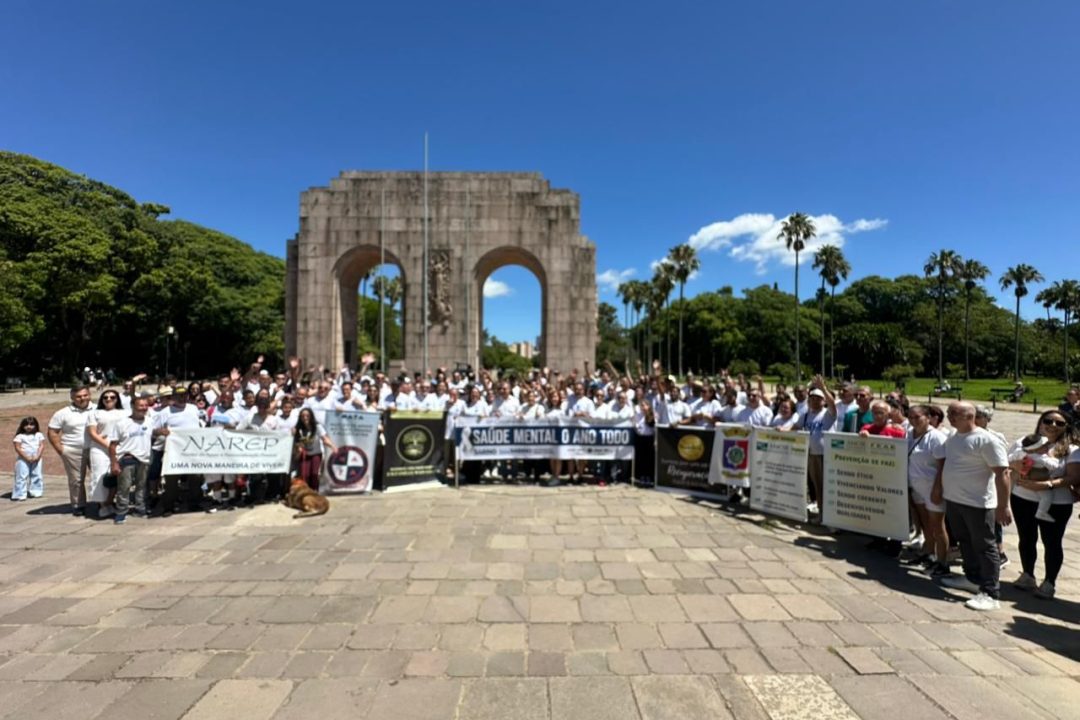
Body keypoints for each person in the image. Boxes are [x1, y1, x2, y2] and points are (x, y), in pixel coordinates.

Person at [931, 401, 1010, 611]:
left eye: (954, 413)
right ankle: (973, 579)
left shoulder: (986, 440)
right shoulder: (954, 437)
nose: (949, 416)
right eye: (949, 412)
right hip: (955, 501)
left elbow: (1003, 473)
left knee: (985, 546)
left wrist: (1004, 506)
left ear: (969, 416)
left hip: (978, 504)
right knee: (965, 542)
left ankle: (991, 593)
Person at [1008, 409, 1076, 600]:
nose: (1053, 425)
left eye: (1059, 423)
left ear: (1066, 427)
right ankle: (1027, 574)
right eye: (1048, 421)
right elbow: (1007, 462)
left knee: (1052, 542)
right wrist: (1016, 465)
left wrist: (1045, 484)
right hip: (1022, 497)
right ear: (1040, 422)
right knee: (1026, 537)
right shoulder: (1025, 441)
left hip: (1057, 502)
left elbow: (1073, 476)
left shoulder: (1071, 449)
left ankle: (1049, 583)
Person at [906, 404, 949, 577]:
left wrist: (938, 488)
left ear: (927, 417)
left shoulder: (936, 437)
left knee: (938, 526)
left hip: (932, 487)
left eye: (918, 417)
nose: (914, 420)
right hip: (916, 486)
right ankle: (929, 553)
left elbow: (942, 465)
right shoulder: (909, 434)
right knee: (925, 525)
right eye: (911, 417)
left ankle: (943, 561)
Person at [47, 385, 94, 516]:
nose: (82, 398)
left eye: (85, 395)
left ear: (89, 395)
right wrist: (61, 450)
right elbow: (52, 431)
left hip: (96, 449)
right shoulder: (63, 413)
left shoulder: (98, 409)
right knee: (76, 480)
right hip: (73, 450)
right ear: (72, 397)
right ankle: (78, 505)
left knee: (100, 476)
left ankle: (102, 502)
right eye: (78, 396)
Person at [107, 396, 153, 524]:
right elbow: (112, 445)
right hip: (127, 458)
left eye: (145, 406)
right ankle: (121, 512)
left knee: (142, 486)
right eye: (140, 406)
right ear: (133, 407)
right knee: (124, 487)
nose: (143, 408)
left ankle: (140, 509)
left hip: (144, 458)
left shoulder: (149, 421)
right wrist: (114, 463)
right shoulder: (122, 423)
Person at [86, 390, 128, 518]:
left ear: (117, 399)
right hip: (100, 448)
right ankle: (102, 505)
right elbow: (92, 433)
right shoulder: (95, 413)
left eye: (112, 397)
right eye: (105, 397)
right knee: (99, 476)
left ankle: (110, 502)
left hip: (120, 448)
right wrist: (108, 445)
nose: (109, 399)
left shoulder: (125, 412)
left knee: (116, 476)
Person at [800, 378, 836, 519]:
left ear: (823, 401)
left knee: (827, 487)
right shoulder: (806, 415)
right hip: (812, 454)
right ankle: (822, 513)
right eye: (812, 398)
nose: (815, 401)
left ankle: (829, 515)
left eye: (818, 399)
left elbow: (832, 403)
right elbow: (795, 426)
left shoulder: (828, 413)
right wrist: (784, 429)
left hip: (825, 455)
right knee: (817, 486)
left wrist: (823, 388)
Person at [293, 407, 336, 492]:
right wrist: (298, 449)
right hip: (304, 454)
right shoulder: (298, 428)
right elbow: (297, 443)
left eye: (307, 416)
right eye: (303, 416)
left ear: (311, 416)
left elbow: (324, 438)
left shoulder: (317, 426)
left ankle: (314, 491)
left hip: (316, 453)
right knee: (304, 474)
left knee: (314, 474)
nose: (305, 418)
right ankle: (304, 492)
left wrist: (333, 446)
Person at [12, 416, 45, 501]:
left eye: (31, 424)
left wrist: (38, 456)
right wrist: (26, 457)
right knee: (22, 475)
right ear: (22, 426)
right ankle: (20, 494)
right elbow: (18, 447)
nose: (29, 427)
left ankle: (36, 491)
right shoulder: (20, 436)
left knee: (36, 474)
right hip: (23, 457)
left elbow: (41, 445)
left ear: (36, 425)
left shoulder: (38, 435)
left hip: (36, 456)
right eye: (26, 425)